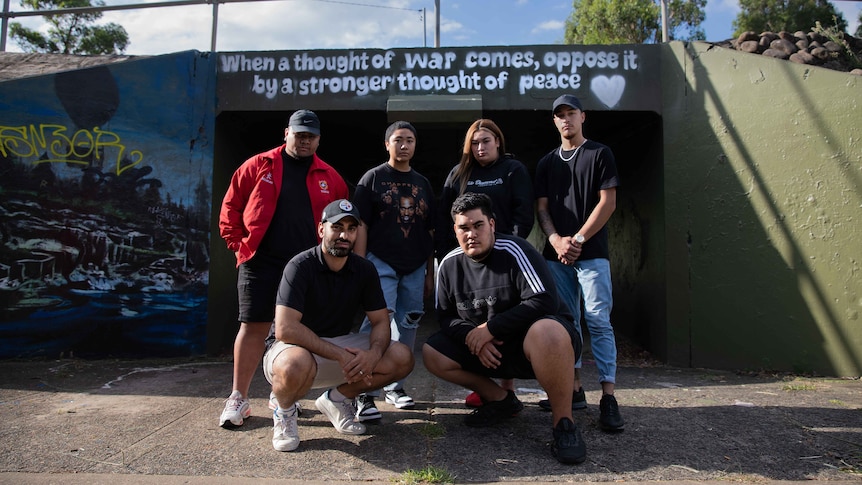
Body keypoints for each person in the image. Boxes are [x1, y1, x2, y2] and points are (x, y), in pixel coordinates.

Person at [423, 192, 587, 465]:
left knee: (548, 330)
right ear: (455, 230)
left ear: (492, 225)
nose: (471, 234)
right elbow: (446, 317)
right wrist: (472, 337)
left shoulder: (516, 250)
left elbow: (544, 300)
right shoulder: (449, 264)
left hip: (537, 346)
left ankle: (564, 425)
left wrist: (491, 329)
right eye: (464, 227)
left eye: (478, 225)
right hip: (488, 352)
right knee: (432, 351)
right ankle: (500, 400)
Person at [218, 109, 349, 428]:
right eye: (299, 133)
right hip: (260, 262)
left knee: (298, 331)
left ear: (318, 139)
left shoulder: (330, 177)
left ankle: (283, 395)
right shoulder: (257, 165)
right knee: (253, 326)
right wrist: (241, 246)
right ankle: (239, 398)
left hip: (305, 267)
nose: (304, 140)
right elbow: (231, 208)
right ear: (286, 133)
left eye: (311, 136)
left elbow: (343, 223)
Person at [263, 199, 414, 451]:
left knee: (401, 356)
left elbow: (380, 321)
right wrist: (340, 355)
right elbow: (285, 328)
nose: (344, 235)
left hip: (338, 347)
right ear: (322, 229)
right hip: (290, 349)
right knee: (294, 365)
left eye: (351, 229)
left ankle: (338, 398)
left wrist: (373, 355)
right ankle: (285, 411)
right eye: (337, 227)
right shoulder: (300, 266)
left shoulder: (364, 269)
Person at [534, 94, 624, 432]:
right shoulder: (546, 163)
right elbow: (541, 208)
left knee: (598, 320)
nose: (566, 119)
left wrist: (579, 240)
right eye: (560, 115)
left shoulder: (600, 154)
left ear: (582, 117)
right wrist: (557, 240)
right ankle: (573, 390)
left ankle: (609, 397)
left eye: (571, 113)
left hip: (593, 253)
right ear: (554, 121)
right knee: (565, 323)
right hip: (556, 255)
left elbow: (608, 202)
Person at [436, 119, 535, 408]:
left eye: (486, 141)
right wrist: (446, 255)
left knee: (504, 315)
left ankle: (508, 387)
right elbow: (445, 218)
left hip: (504, 256)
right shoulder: (458, 173)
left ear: (498, 141)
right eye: (475, 143)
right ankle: (487, 387)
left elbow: (523, 212)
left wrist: (511, 247)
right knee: (473, 318)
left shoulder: (513, 170)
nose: (480, 147)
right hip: (467, 261)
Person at [352, 121, 435, 421]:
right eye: (398, 140)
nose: (404, 145)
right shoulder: (372, 179)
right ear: (386, 144)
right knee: (377, 324)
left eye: (410, 140)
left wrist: (429, 273)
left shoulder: (423, 183)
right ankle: (364, 391)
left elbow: (430, 230)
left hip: (415, 266)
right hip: (379, 263)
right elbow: (360, 223)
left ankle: (394, 385)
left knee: (409, 325)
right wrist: (360, 266)